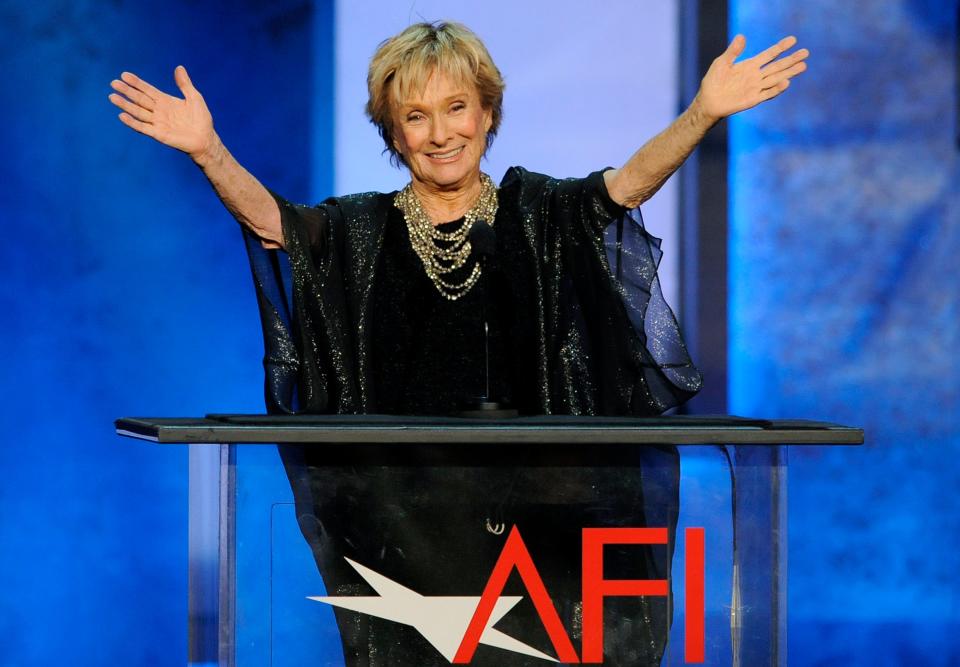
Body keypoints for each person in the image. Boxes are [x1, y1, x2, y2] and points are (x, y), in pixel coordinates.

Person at [110, 21, 807, 666]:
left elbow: (626, 185)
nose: (440, 133)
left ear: (487, 114)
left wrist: (703, 113)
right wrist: (209, 151)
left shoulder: (542, 215)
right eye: (416, 116)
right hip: (410, 550)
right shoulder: (360, 231)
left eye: (456, 108)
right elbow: (277, 227)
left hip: (544, 548)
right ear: (393, 131)